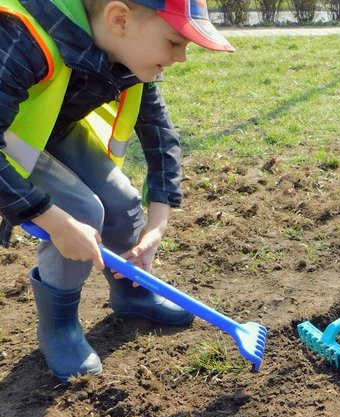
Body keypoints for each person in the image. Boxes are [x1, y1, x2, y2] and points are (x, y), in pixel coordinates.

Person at [0, 0, 234, 380]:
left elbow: (159, 131)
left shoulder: (121, 53)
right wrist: (54, 222)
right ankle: (58, 326)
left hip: (49, 129)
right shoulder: (20, 38)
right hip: (9, 139)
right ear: (119, 19)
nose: (182, 57)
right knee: (80, 212)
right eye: (174, 42)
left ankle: (132, 292)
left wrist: (158, 221)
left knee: (122, 203)